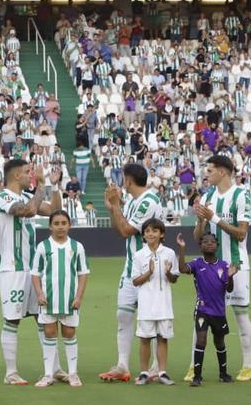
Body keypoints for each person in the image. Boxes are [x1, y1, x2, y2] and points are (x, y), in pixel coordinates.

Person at [0, 157, 61, 385]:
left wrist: (53, 185)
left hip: (32, 270)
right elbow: (28, 211)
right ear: (16, 176)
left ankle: (54, 368)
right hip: (12, 269)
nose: (31, 175)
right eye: (28, 172)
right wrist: (40, 184)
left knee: (43, 319)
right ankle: (11, 373)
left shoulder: (26, 196)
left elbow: (54, 211)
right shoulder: (0, 196)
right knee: (12, 321)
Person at [100, 163, 165, 382]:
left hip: (149, 269)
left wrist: (117, 204)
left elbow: (127, 230)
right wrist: (113, 209)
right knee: (124, 315)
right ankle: (122, 365)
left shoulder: (149, 201)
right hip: (130, 268)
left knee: (151, 318)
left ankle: (156, 366)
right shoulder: (134, 203)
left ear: (128, 180)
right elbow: (120, 229)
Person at [192, 154, 251, 381]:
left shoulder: (241, 194)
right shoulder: (208, 196)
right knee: (202, 315)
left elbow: (241, 233)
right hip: (210, 268)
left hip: (236, 265)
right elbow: (198, 238)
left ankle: (247, 365)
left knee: (240, 314)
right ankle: (193, 365)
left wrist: (215, 218)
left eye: (210, 170)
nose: (206, 175)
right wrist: (201, 220)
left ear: (223, 171)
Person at [31, 210, 90, 388]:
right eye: (56, 223)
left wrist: (79, 297)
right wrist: (39, 294)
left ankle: (73, 373)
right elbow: (35, 273)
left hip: (70, 299)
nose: (60, 227)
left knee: (69, 333)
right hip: (48, 300)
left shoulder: (77, 247)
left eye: (64, 223)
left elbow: (83, 274)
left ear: (69, 225)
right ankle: (48, 374)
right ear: (50, 226)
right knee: (49, 333)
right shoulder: (43, 247)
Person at [174, 232, 236, 386]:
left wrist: (231, 276)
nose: (209, 243)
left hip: (219, 312)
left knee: (219, 342)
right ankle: (197, 376)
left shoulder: (224, 265)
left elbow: (229, 289)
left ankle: (223, 373)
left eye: (212, 242)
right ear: (200, 246)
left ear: (217, 246)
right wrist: (182, 249)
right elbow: (182, 269)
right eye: (205, 242)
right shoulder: (197, 263)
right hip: (202, 310)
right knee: (201, 340)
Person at [132, 218, 178, 385]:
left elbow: (174, 279)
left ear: (162, 234)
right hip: (146, 304)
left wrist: (168, 273)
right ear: (143, 235)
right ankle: (144, 373)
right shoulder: (138, 255)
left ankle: (162, 372)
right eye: (147, 231)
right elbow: (135, 281)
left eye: (154, 231)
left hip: (164, 304)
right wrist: (149, 273)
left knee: (162, 338)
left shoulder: (169, 253)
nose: (150, 234)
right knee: (144, 338)